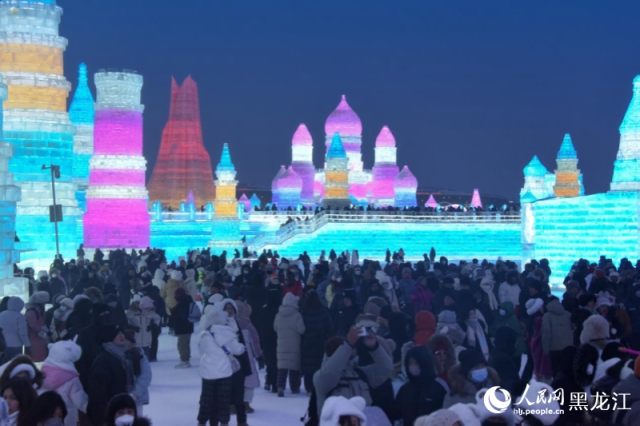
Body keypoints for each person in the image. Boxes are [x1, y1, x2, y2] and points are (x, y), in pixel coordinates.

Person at [313, 326, 392, 416]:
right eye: (350, 347)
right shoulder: (322, 377)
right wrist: (348, 345)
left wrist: (374, 348)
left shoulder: (360, 374)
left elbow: (385, 369)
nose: (354, 348)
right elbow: (331, 371)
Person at [197, 310, 245, 426]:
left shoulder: (205, 334)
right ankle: (224, 422)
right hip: (225, 372)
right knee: (224, 399)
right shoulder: (229, 334)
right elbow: (238, 350)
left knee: (206, 398)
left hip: (208, 372)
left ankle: (202, 421)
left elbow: (201, 350)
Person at [86, 325, 136, 425]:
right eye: (117, 334)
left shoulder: (123, 356)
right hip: (108, 414)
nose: (121, 335)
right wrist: (104, 418)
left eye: (122, 333)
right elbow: (97, 395)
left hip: (121, 410)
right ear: (109, 337)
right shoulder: (103, 361)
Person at [394, 346, 446, 426]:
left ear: (424, 362)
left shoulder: (439, 387)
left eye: (416, 362)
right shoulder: (405, 389)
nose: (412, 366)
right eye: (410, 363)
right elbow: (397, 415)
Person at [41, 341, 88, 426]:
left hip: (46, 416)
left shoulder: (42, 375)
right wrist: (92, 409)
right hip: (66, 418)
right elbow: (80, 400)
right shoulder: (71, 378)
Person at [273, 292, 306, 396]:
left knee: (282, 368)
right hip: (294, 345)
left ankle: (280, 386)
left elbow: (275, 328)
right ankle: (295, 387)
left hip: (281, 345)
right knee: (294, 367)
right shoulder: (297, 315)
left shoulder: (278, 315)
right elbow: (301, 330)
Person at [301, 291, 333, 393]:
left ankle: (308, 387)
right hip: (320, 341)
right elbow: (330, 328)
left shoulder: (304, 313)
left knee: (308, 365)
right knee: (319, 364)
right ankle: (318, 385)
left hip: (307, 341)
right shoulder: (324, 312)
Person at [235, 300, 263, 413]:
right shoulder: (248, 325)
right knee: (249, 380)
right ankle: (246, 403)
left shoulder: (228, 324)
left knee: (234, 381)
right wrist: (259, 356)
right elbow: (255, 342)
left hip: (232, 358)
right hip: (248, 358)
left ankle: (233, 404)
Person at [541, 297, 573, 377]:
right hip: (569, 347)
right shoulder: (568, 314)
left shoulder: (547, 316)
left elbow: (546, 333)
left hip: (554, 349)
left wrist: (545, 350)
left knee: (556, 372)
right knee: (568, 371)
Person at [257, 288, 281, 392]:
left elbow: (260, 324)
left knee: (269, 360)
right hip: (278, 337)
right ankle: (275, 383)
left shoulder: (264, 310)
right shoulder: (280, 310)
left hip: (266, 338)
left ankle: (269, 380)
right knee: (277, 361)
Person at [0, 297, 30, 363]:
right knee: (15, 365)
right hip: (16, 345)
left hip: (3, 345)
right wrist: (27, 344)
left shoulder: (1, 315)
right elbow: (23, 333)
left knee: (3, 365)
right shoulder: (20, 316)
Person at [170, 287, 194, 369]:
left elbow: (179, 315)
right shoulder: (188, 301)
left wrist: (173, 311)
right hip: (188, 326)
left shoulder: (182, 303)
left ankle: (184, 360)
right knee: (186, 344)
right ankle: (186, 360)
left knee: (181, 345)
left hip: (183, 327)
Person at [25, 291, 49, 362]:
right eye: (44, 302)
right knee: (35, 356)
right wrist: (42, 332)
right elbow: (33, 324)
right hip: (34, 338)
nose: (45, 304)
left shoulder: (37, 311)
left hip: (39, 339)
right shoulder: (32, 312)